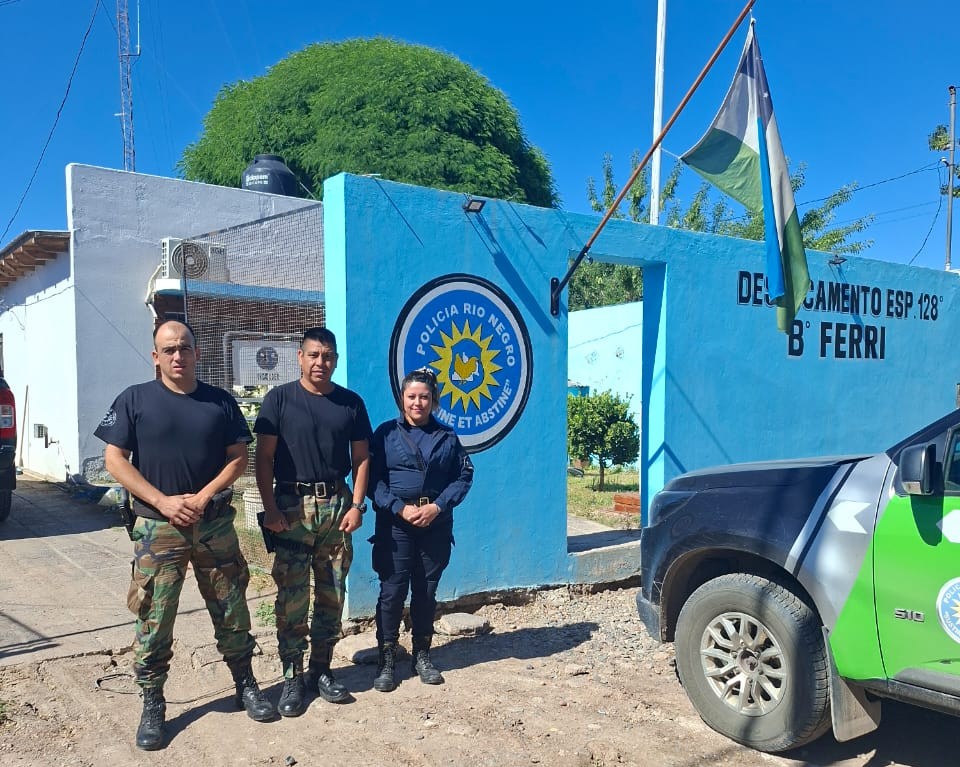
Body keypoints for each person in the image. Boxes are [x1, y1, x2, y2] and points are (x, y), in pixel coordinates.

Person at [95, 320, 274, 752]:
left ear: (197, 352)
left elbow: (238, 458)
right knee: (154, 616)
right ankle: (153, 700)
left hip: (212, 522)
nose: (178, 356)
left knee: (231, 604)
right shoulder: (133, 400)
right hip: (159, 528)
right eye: (169, 349)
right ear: (156, 356)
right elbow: (115, 460)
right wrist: (164, 501)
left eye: (185, 348)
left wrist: (202, 495)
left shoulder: (219, 402)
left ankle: (245, 682)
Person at [254, 327, 371, 717]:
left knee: (332, 592)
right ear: (300, 358)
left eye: (328, 356)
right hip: (291, 506)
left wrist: (357, 505)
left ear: (335, 361)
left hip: (337, 505)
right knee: (291, 597)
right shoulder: (279, 399)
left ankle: (321, 670)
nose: (321, 362)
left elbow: (361, 459)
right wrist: (270, 508)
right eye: (314, 355)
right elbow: (264, 459)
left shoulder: (350, 404)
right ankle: (292, 675)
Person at [368, 367, 474, 692]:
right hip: (395, 525)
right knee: (392, 591)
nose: (418, 402)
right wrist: (400, 508)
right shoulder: (385, 434)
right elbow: (372, 480)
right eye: (412, 396)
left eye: (424, 397)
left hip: (435, 524)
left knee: (426, 592)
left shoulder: (448, 437)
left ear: (434, 400)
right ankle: (386, 658)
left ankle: (422, 654)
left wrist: (437, 506)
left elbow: (463, 477)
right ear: (402, 399)